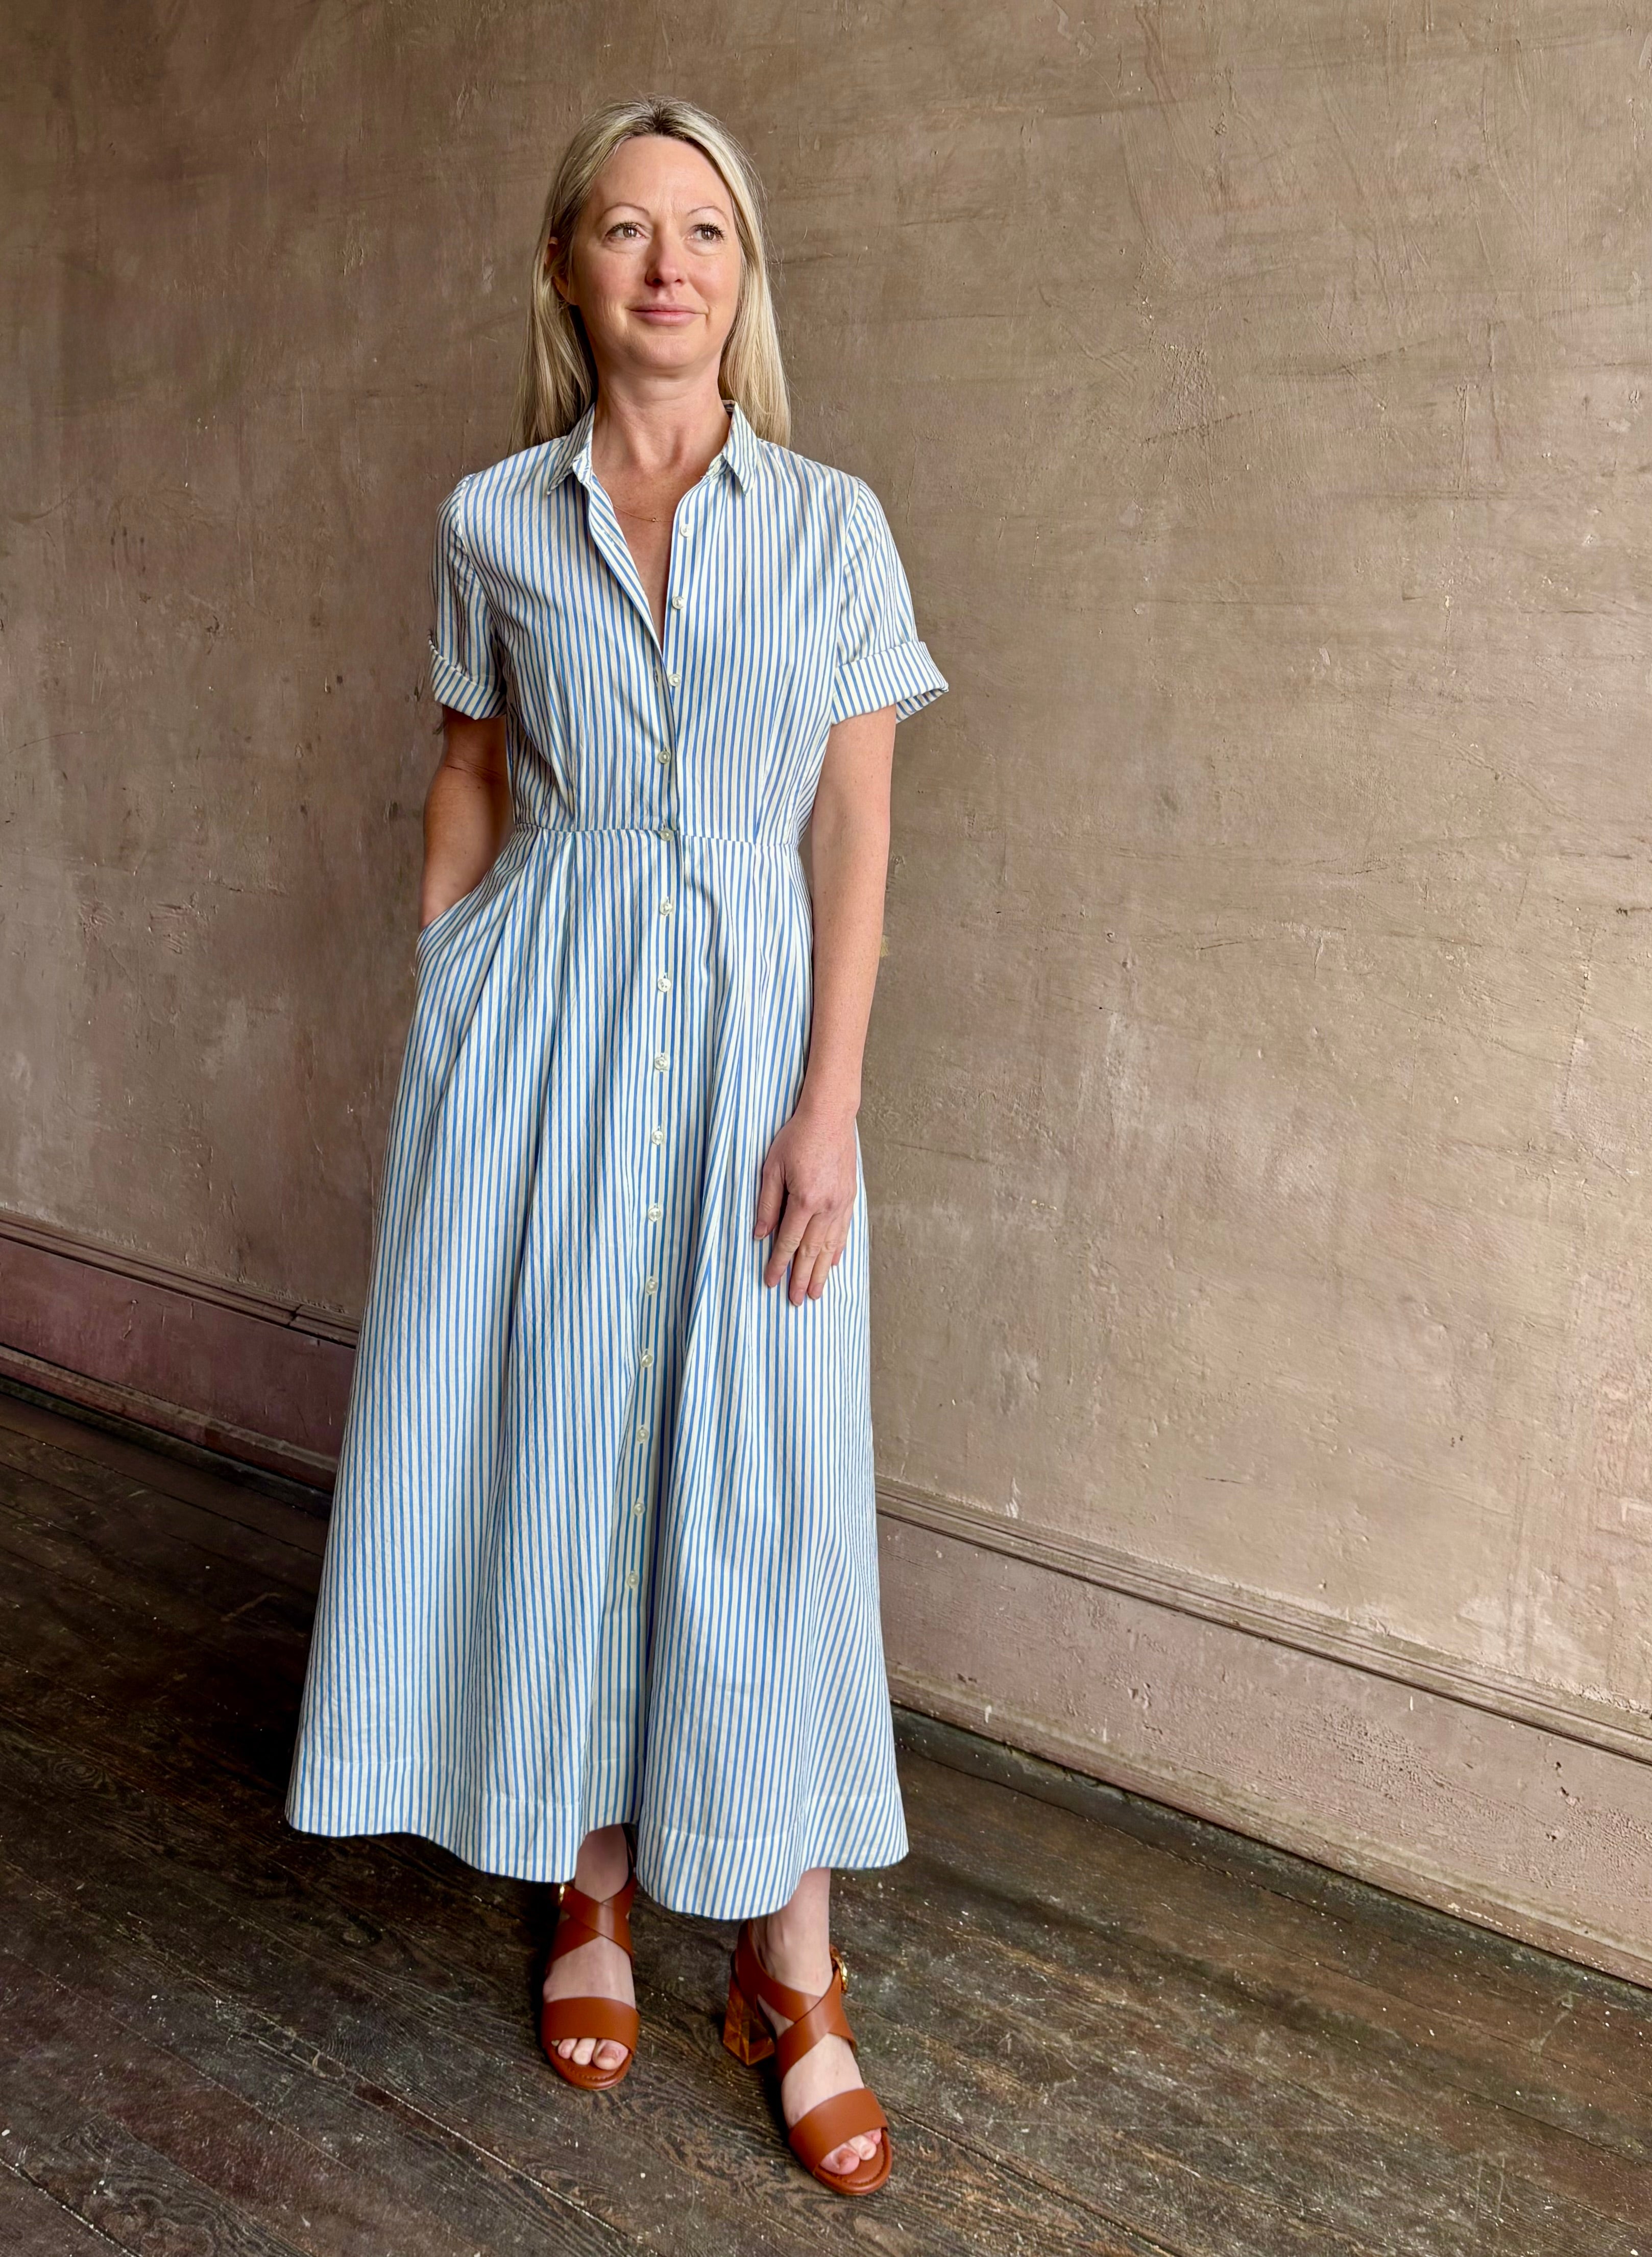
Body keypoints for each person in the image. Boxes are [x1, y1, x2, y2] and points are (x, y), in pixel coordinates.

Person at [284, 94, 946, 2198]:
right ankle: (587, 1887)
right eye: (628, 230)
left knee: (761, 1473)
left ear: (743, 279)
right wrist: (443, 1007)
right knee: (567, 1440)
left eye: (709, 234)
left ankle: (790, 1957)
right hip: (540, 1031)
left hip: (760, 1027)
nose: (670, 264)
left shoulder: (834, 524)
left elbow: (853, 833)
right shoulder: (493, 520)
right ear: (569, 270)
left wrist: (829, 1103)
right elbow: (469, 776)